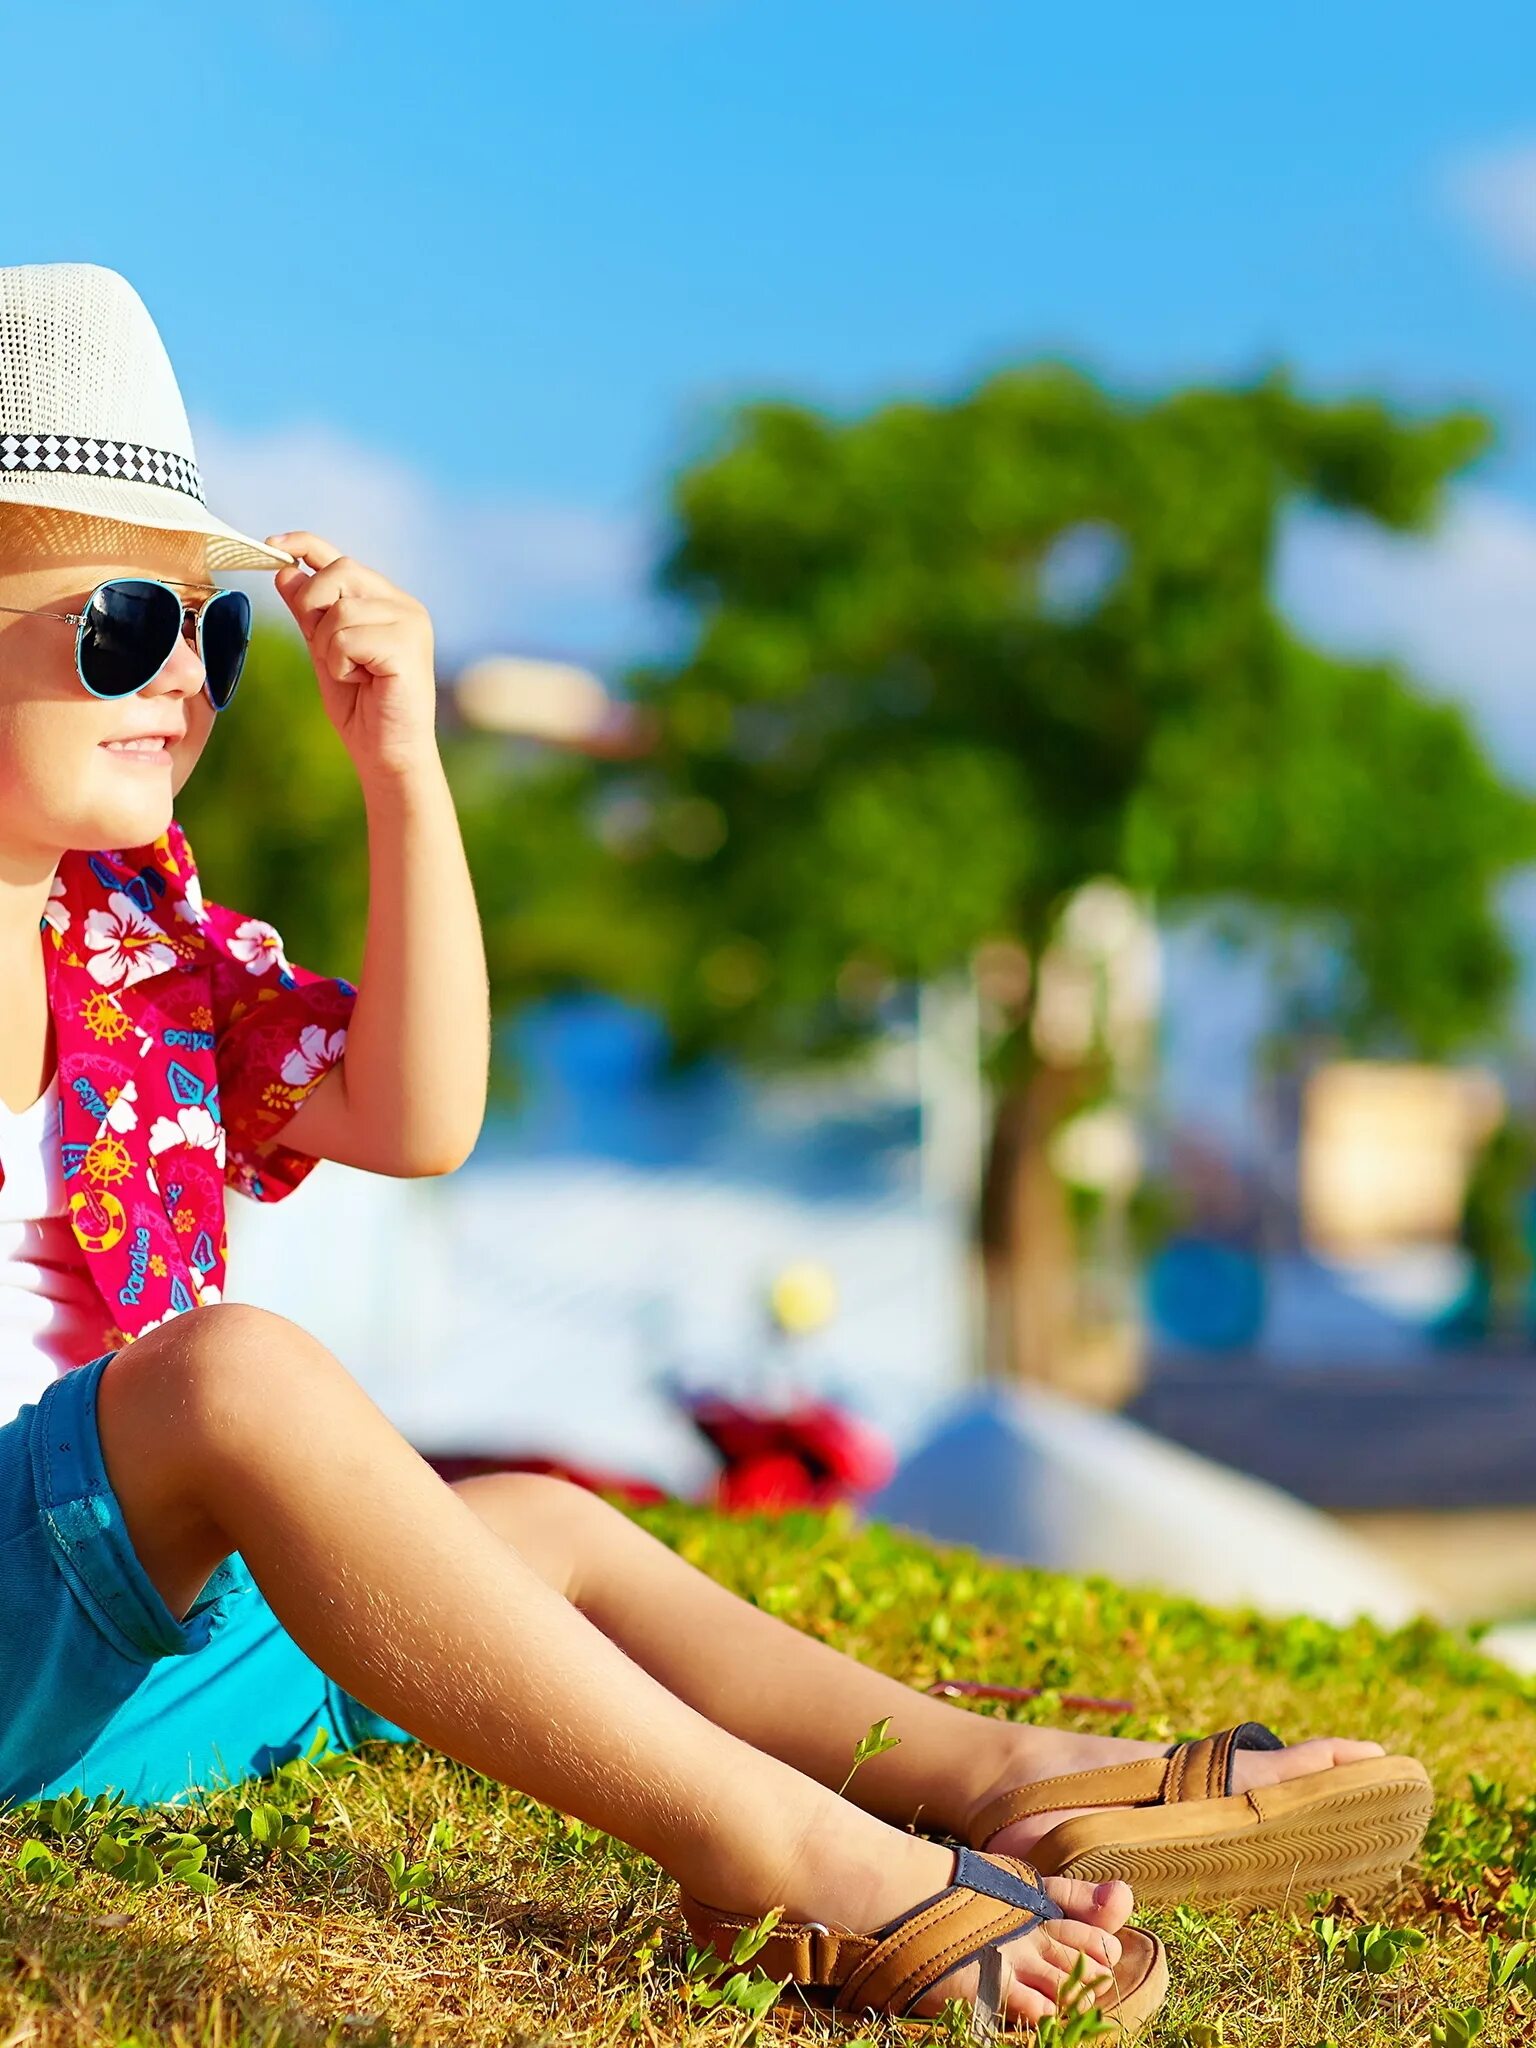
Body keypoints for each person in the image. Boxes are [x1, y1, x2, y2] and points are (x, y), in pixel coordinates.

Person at [0, 263, 1429, 2036]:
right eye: (120, 629)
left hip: (135, 1658)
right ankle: (777, 1853)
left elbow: (411, 1112)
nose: (186, 686)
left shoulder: (141, 947)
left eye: (208, 639)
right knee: (235, 1380)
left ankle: (998, 1769)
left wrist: (405, 771)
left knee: (535, 1522)